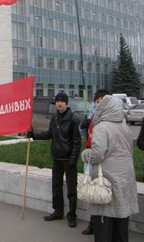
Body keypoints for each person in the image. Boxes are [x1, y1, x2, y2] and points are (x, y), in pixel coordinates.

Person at [81, 95, 139, 242]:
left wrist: (85, 154)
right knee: (121, 221)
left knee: (104, 222)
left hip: (107, 179)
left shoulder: (101, 127)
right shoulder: (124, 126)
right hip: (125, 178)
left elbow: (97, 154)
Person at [27, 92, 81, 227]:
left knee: (71, 189)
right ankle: (58, 211)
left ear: (66, 103)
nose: (59, 103)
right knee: (56, 187)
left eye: (62, 101)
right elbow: (49, 134)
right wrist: (34, 135)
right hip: (56, 158)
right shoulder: (55, 117)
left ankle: (72, 215)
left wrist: (73, 159)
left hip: (68, 159)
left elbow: (76, 142)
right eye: (57, 101)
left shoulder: (73, 119)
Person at [78, 89, 111, 235]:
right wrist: (83, 126)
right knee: (91, 191)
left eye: (101, 101)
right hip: (90, 159)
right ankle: (92, 223)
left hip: (101, 162)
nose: (98, 104)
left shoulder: (107, 121)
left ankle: (98, 225)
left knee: (100, 192)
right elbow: (85, 135)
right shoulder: (93, 118)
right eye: (96, 101)